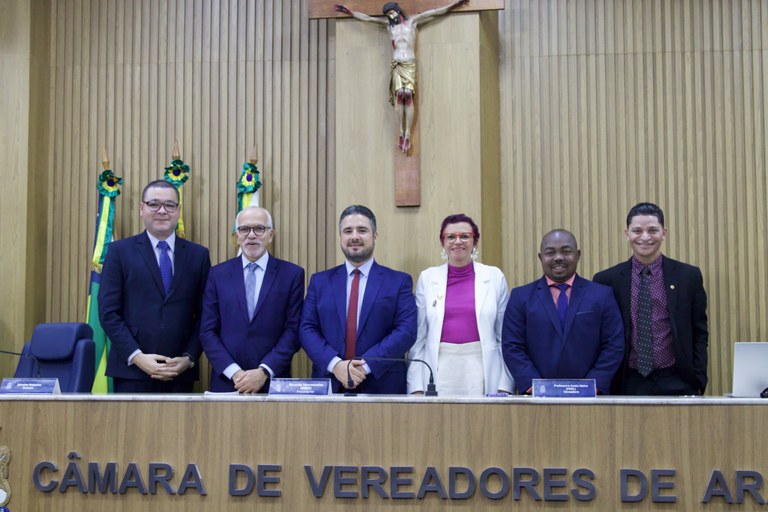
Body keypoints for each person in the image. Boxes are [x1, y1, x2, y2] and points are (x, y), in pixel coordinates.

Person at [99, 180, 211, 393]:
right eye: (154, 204)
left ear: (178, 211)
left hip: (179, 373)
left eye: (170, 205)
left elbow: (207, 315)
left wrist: (189, 358)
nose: (162, 211)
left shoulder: (198, 255)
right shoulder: (119, 252)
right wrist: (137, 357)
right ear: (141, 208)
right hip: (131, 371)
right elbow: (108, 313)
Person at [593, 202, 708, 395]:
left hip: (677, 380)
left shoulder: (688, 276)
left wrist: (699, 377)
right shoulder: (607, 280)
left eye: (652, 230)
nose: (645, 237)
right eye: (637, 230)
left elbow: (699, 331)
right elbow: (600, 336)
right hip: (625, 381)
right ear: (626, 234)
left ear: (664, 233)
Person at [300, 205, 417, 393]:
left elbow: (406, 331)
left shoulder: (399, 281)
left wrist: (365, 366)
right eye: (348, 231)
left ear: (375, 236)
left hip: (382, 385)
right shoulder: (320, 281)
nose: (354, 236)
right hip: (330, 384)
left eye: (362, 230)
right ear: (340, 237)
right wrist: (336, 365)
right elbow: (306, 329)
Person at [334, 0, 468, 153]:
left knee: (408, 97)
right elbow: (368, 19)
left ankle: (408, 133)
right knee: (399, 97)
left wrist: (455, 5)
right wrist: (349, 12)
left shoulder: (412, 22)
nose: (390, 15)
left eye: (391, 12)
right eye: (388, 14)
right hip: (397, 63)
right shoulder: (389, 26)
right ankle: (400, 130)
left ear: (397, 11)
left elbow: (434, 12)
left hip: (409, 63)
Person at [502, 229, 624, 394]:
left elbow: (613, 344)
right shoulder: (521, 296)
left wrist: (595, 384)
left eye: (566, 251)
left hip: (592, 398)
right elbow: (512, 345)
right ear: (540, 257)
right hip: (536, 398)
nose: (558, 257)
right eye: (550, 252)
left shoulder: (602, 295)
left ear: (578, 255)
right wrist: (532, 385)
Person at [200, 206, 304, 393]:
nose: (251, 235)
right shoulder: (217, 274)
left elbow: (294, 330)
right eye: (244, 229)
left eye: (259, 229)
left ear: (271, 235)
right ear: (236, 236)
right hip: (227, 382)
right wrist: (235, 372)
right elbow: (207, 331)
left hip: (273, 382)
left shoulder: (292, 274)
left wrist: (264, 371)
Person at [407, 214, 512, 395]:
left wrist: (505, 385)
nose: (458, 242)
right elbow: (419, 339)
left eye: (464, 236)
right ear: (442, 242)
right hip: (439, 368)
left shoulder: (494, 277)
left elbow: (505, 337)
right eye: (450, 237)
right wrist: (416, 386)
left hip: (483, 368)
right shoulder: (428, 277)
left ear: (475, 241)